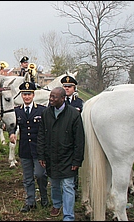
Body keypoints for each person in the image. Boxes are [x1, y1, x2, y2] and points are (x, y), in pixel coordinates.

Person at [37, 87, 85, 221]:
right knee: (54, 183)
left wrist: (77, 160)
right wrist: (41, 155)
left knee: (68, 186)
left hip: (68, 157)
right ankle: (57, 205)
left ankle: (68, 215)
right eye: (50, 96)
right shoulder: (46, 113)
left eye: (54, 97)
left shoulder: (74, 115)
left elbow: (79, 139)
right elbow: (41, 135)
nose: (51, 99)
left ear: (63, 99)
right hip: (51, 156)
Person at [9, 81, 48, 213]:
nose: (26, 97)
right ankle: (30, 201)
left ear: (33, 95)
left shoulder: (41, 110)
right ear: (21, 95)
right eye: (24, 95)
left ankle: (44, 197)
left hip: (39, 149)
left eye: (29, 94)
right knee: (27, 178)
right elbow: (12, 125)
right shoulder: (17, 111)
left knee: (40, 174)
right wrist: (11, 133)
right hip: (25, 149)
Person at [61, 75, 84, 201]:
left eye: (69, 87)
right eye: (65, 86)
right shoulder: (58, 100)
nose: (67, 89)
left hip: (74, 136)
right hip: (61, 136)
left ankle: (74, 188)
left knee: (74, 164)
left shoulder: (78, 102)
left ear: (74, 88)